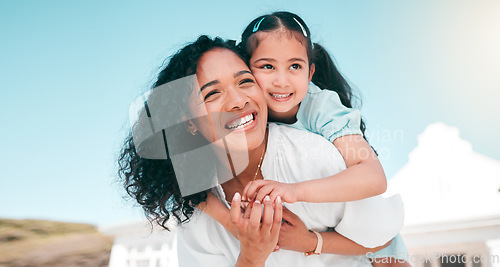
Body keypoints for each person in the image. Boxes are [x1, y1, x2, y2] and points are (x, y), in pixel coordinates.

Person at [118, 35, 404, 267]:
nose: (238, 101)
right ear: (189, 124)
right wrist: (251, 257)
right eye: (212, 93)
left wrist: (311, 242)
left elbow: (383, 235)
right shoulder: (199, 210)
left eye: (245, 81)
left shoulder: (314, 157)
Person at [201, 11, 409, 265]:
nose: (281, 81)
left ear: (310, 73)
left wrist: (295, 191)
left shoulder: (321, 107)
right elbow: (185, 184)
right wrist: (230, 224)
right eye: (267, 66)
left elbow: (373, 177)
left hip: (379, 244)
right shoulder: (245, 112)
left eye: (295, 66)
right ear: (246, 68)